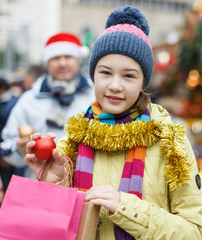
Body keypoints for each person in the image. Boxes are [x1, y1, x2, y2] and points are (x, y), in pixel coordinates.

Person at [25, 6, 202, 239]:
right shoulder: (73, 138)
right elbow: (50, 229)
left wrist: (126, 208)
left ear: (142, 83)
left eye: (129, 76)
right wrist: (53, 185)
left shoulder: (171, 140)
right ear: (93, 76)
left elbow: (194, 231)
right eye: (105, 73)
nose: (115, 86)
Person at [0, 32, 94, 179]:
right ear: (47, 63)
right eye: (56, 58)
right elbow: (6, 147)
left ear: (77, 60)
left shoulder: (94, 97)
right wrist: (20, 148)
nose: (62, 63)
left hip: (86, 187)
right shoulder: (30, 99)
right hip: (40, 184)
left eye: (68, 57)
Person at [0, 77, 19, 209]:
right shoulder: (15, 101)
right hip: (9, 152)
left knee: (8, 186)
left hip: (4, 154)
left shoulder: (3, 107)